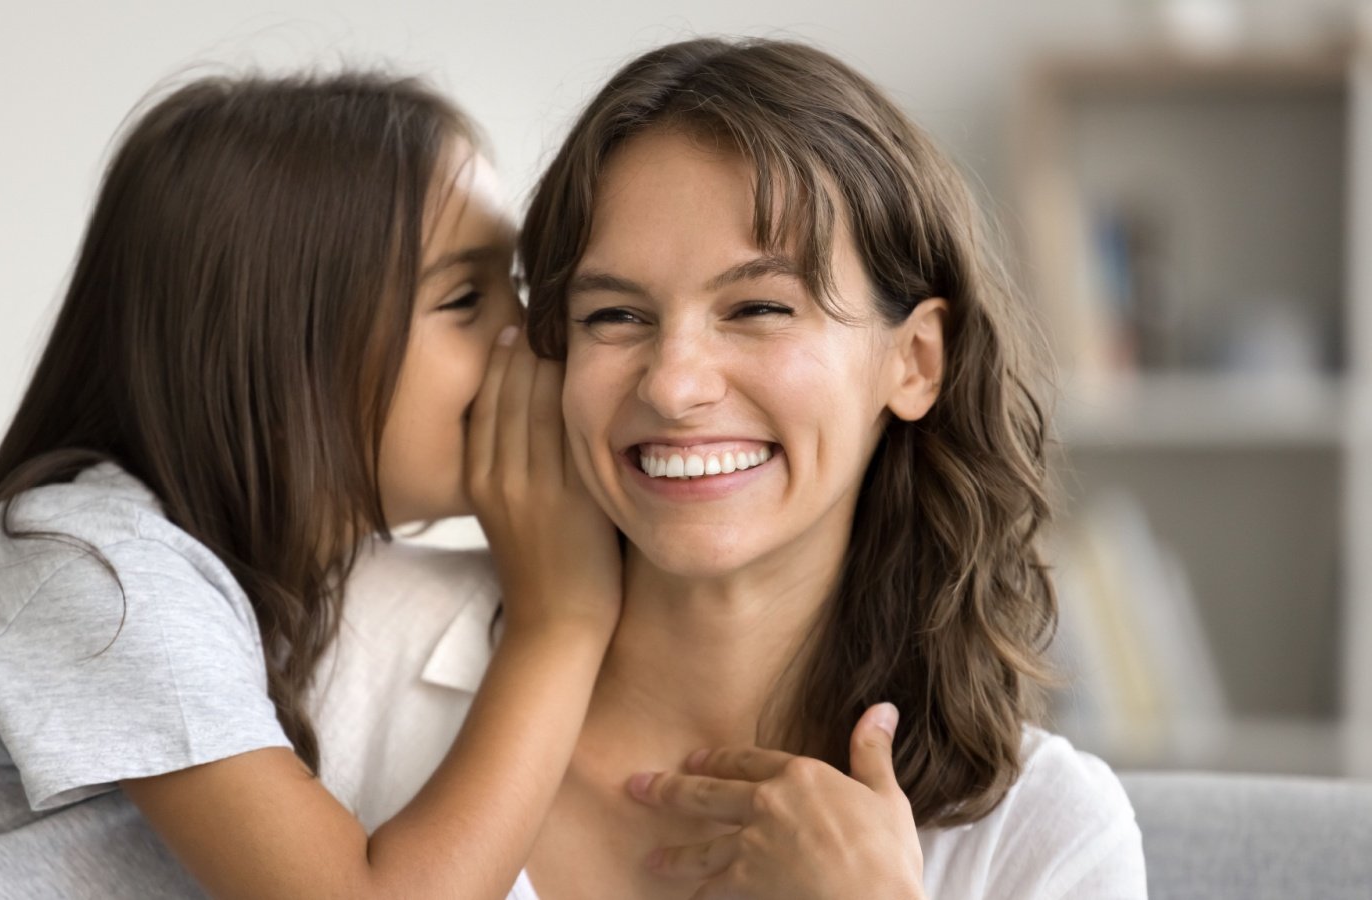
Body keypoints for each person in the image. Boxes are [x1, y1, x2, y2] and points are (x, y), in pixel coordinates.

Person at [313, 38, 1146, 899]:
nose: (673, 386)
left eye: (757, 308)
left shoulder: (1045, 836)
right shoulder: (342, 665)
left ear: (917, 361)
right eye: (615, 315)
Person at [0, 72, 621, 898]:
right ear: (285, 351)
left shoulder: (264, 598)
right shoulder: (90, 566)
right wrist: (561, 620)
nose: (534, 338)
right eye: (466, 298)